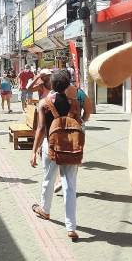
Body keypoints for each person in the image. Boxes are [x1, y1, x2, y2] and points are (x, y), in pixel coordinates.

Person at [30, 70, 81, 241]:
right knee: (70, 186)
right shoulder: (74, 104)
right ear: (67, 86)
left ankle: (44, 209)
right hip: (70, 147)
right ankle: (71, 227)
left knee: (48, 178)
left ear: (52, 85)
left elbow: (40, 129)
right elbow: (79, 124)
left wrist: (33, 151)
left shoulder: (44, 103)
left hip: (50, 145)